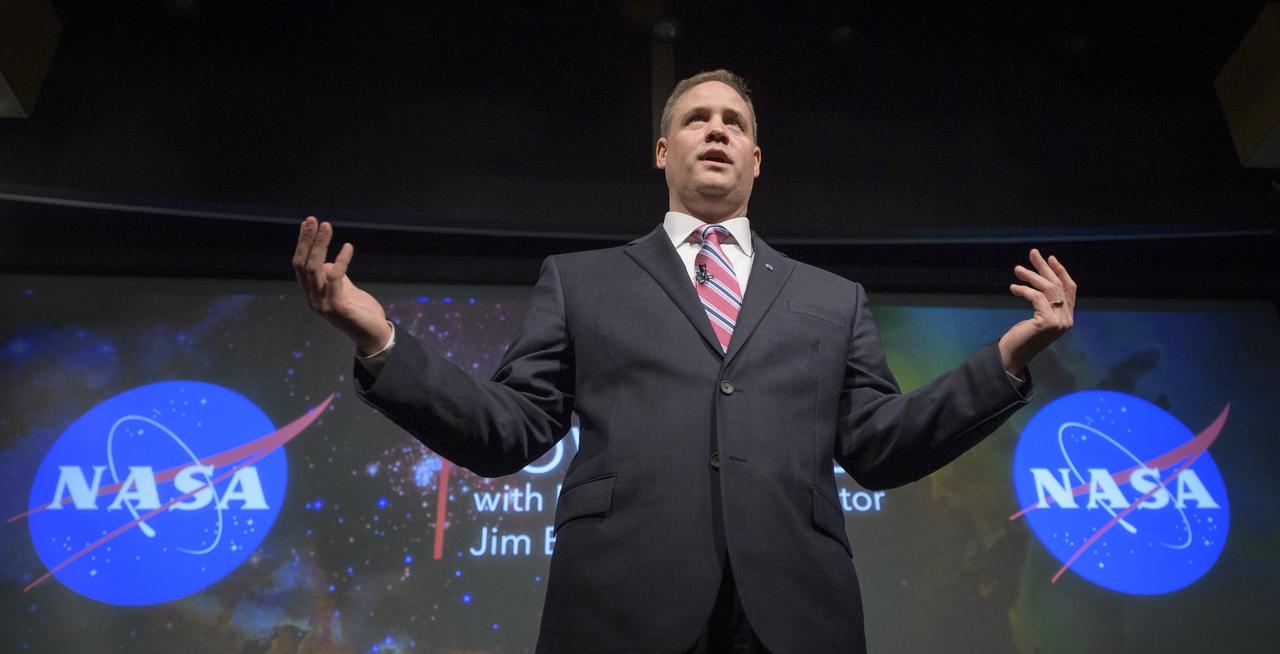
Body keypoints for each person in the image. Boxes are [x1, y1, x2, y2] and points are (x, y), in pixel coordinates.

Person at [292, 69, 1076, 653]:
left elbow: (879, 445)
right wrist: (379, 338)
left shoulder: (832, 299)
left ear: (757, 159)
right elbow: (510, 431)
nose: (716, 129)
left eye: (733, 121)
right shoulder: (582, 279)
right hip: (618, 610)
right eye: (696, 118)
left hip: (796, 616)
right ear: (663, 151)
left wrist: (1005, 359)